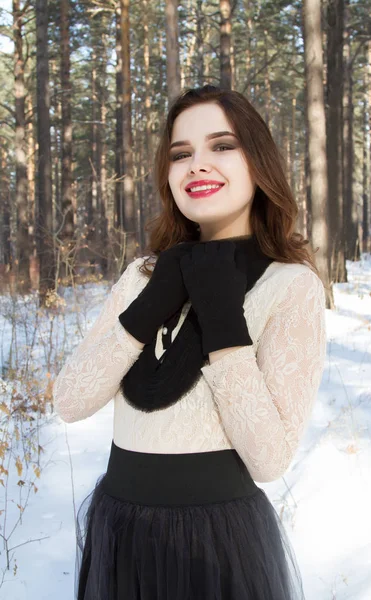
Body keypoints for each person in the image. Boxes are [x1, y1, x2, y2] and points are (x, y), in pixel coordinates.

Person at [53, 84, 327, 600]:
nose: (197, 165)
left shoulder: (290, 286)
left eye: (221, 146)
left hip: (215, 546)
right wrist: (153, 300)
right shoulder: (143, 275)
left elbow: (268, 458)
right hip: (121, 532)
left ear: (259, 162)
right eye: (182, 154)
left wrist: (225, 325)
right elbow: (70, 401)